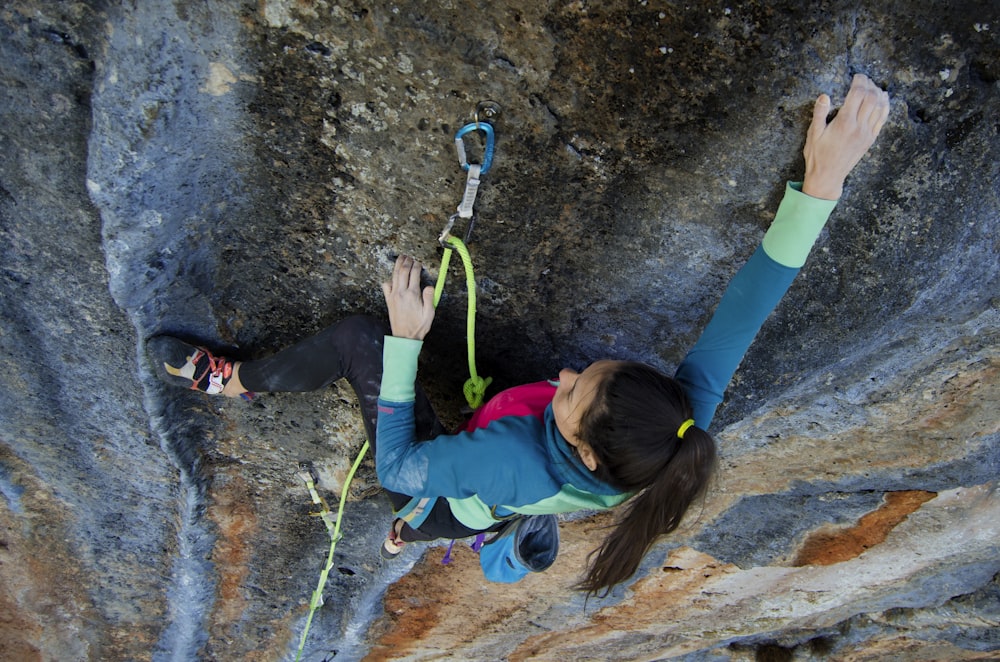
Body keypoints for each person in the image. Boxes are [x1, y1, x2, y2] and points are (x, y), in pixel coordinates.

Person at [150, 74, 890, 596]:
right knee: (433, 517)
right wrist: (823, 184)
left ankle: (229, 382)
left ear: (583, 449)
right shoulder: (668, 430)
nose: (564, 376)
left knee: (358, 346)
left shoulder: (513, 461)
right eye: (590, 371)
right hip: (494, 497)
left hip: (473, 488)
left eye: (571, 394)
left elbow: (403, 467)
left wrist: (406, 341)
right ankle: (413, 537)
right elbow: (746, 310)